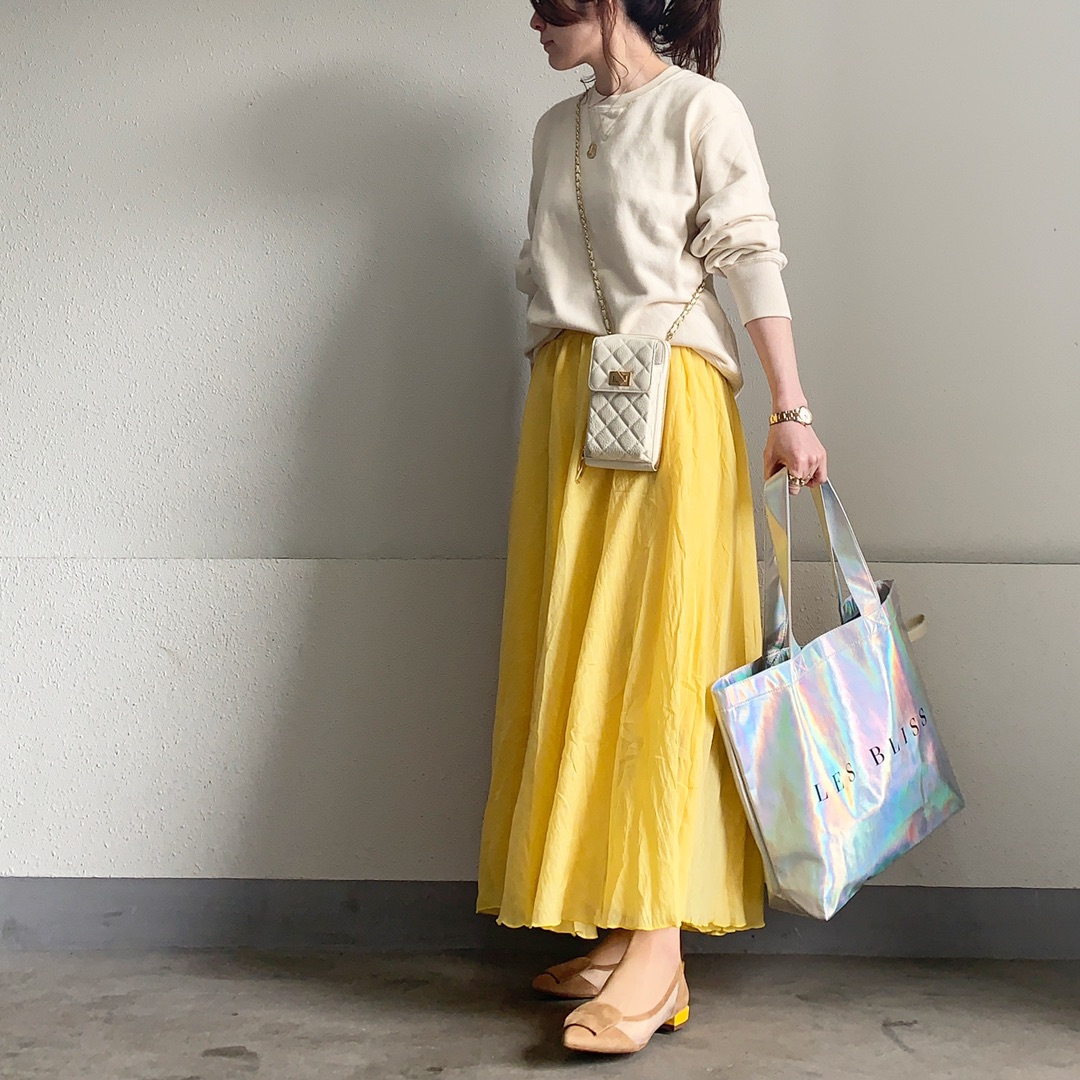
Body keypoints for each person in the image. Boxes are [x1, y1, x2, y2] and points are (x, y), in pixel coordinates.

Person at [475, 0, 828, 1055]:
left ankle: (659, 948)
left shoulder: (701, 111)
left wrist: (791, 407)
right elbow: (546, 271)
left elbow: (748, 253)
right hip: (570, 405)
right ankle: (626, 926)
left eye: (553, 3)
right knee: (585, 657)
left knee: (663, 662)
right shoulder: (554, 128)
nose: (533, 20)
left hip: (669, 400)